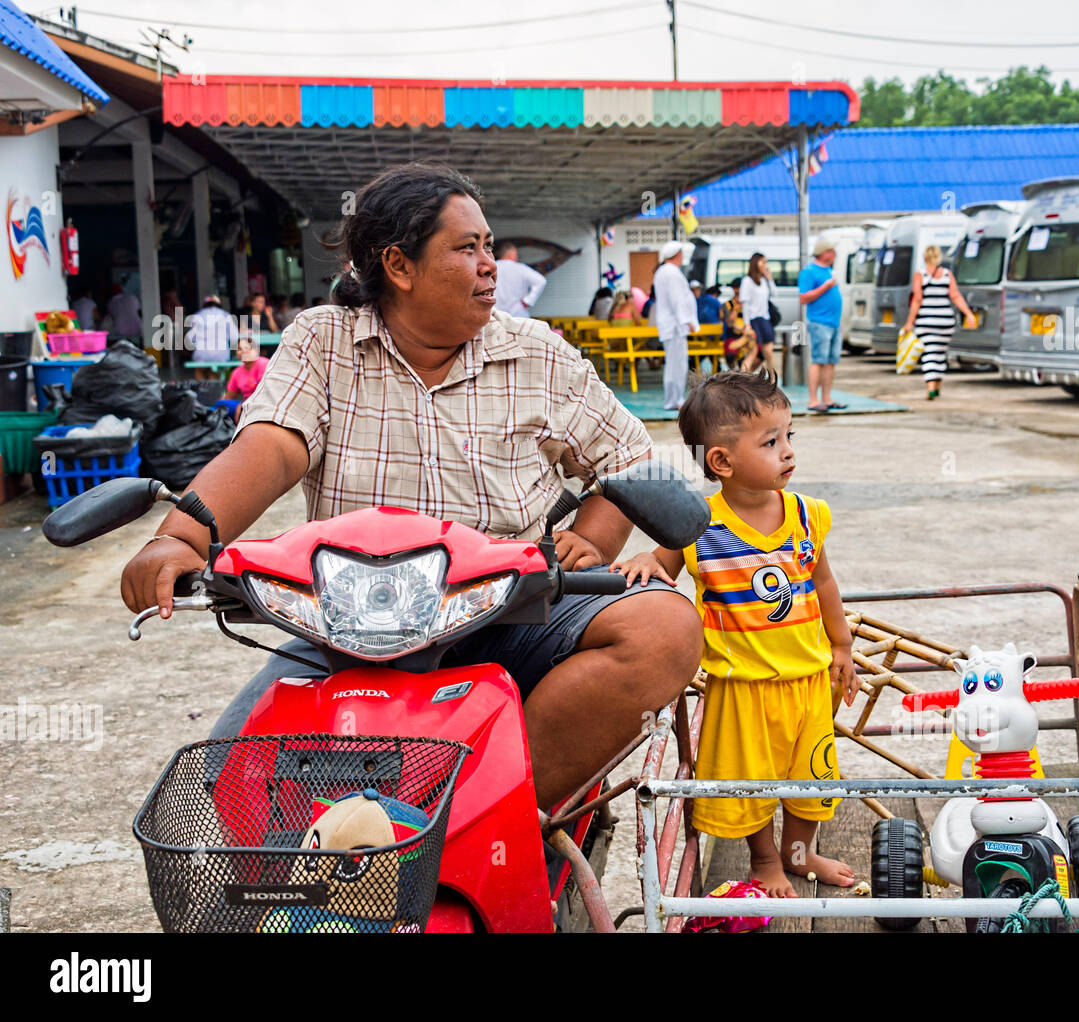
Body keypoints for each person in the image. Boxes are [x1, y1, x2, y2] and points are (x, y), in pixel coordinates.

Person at [119, 162, 701, 812]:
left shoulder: (538, 351)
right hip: (350, 625)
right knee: (234, 787)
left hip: (512, 610)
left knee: (663, 630)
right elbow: (274, 446)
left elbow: (625, 461)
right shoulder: (324, 340)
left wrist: (590, 540)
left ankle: (495, 821)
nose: (491, 266)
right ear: (399, 265)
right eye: (467, 247)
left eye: (488, 246)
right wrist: (180, 536)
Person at [612, 371, 859, 897]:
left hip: (808, 683)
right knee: (745, 786)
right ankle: (765, 861)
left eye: (790, 436)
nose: (788, 452)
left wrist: (841, 646)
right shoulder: (699, 525)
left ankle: (800, 853)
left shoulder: (807, 516)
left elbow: (823, 580)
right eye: (771, 443)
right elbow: (659, 565)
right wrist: (641, 559)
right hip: (740, 688)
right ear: (721, 462)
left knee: (809, 780)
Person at [902, 244, 976, 400]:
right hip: (945, 321)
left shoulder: (920, 275)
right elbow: (955, 296)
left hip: (926, 321)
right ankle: (937, 386)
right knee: (940, 354)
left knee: (929, 354)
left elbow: (917, 300)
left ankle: (930, 387)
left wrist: (909, 323)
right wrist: (968, 314)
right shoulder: (947, 275)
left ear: (925, 257)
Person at [797, 237, 845, 413]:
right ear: (826, 253)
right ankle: (813, 400)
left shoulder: (829, 271)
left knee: (831, 361)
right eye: (833, 251)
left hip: (834, 322)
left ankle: (827, 398)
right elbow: (803, 297)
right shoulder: (809, 272)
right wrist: (825, 287)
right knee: (818, 360)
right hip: (820, 322)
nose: (835, 255)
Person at [652, 241, 698, 411]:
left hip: (673, 325)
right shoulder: (670, 273)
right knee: (676, 365)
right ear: (676, 255)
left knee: (676, 364)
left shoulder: (665, 272)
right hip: (675, 325)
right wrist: (686, 320)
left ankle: (675, 399)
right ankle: (674, 400)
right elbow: (677, 299)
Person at [739, 253, 777, 380]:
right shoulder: (747, 281)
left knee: (769, 353)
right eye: (763, 262)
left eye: (766, 262)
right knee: (752, 353)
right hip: (753, 320)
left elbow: (775, 294)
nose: (765, 265)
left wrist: (770, 278)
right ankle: (741, 381)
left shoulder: (764, 281)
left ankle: (772, 381)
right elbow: (745, 303)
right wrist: (747, 324)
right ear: (755, 263)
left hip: (765, 319)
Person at [185, 294, 240, 378]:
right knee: (215, 370)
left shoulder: (196, 316)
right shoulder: (225, 315)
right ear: (219, 305)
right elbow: (235, 337)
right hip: (221, 354)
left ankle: (201, 388)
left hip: (201, 353)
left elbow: (190, 338)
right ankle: (214, 387)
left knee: (199, 369)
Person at [495, 242, 547, 317]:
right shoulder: (521, 268)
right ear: (510, 254)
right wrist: (528, 301)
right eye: (516, 255)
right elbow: (541, 281)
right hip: (518, 314)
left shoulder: (493, 267)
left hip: (497, 314)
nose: (517, 258)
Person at [223, 335, 270, 414]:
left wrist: (244, 405)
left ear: (256, 350)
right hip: (245, 404)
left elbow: (266, 392)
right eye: (239, 349)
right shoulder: (237, 372)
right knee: (221, 405)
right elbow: (229, 397)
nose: (243, 351)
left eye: (247, 348)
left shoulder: (264, 364)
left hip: (264, 404)